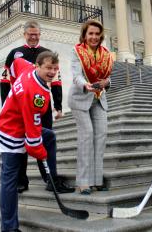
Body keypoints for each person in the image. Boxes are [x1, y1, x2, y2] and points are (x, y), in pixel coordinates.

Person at [0, 20, 73, 194]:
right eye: (30, 34)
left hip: (42, 106)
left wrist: (58, 105)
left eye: (36, 34)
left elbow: (56, 80)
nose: (33, 37)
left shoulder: (47, 54)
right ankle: (21, 181)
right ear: (24, 34)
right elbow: (4, 81)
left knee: (45, 140)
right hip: (20, 107)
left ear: (40, 35)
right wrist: (5, 106)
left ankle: (50, 179)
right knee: (20, 143)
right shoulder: (14, 54)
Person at [0, 51, 60, 232]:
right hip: (11, 133)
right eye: (48, 68)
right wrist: (40, 152)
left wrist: (15, 89)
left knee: (50, 136)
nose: (52, 72)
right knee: (9, 181)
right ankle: (9, 228)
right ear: (37, 66)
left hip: (16, 123)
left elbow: (15, 62)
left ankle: (51, 178)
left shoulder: (26, 66)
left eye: (55, 68)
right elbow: (33, 136)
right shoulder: (36, 95)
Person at [67, 19, 113, 195]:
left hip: (99, 99)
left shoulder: (106, 54)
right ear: (85, 35)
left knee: (100, 137)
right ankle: (83, 182)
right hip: (80, 98)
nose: (94, 37)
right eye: (90, 33)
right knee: (86, 136)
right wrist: (85, 85)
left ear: (101, 35)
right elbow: (76, 75)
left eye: (96, 34)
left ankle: (96, 180)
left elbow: (110, 78)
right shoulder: (77, 51)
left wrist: (107, 82)